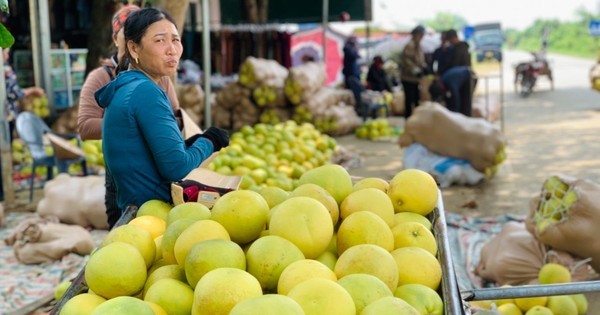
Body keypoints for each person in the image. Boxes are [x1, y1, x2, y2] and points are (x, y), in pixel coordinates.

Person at [94, 8, 229, 221]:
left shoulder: (126, 88)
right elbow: (177, 167)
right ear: (133, 48)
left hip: (136, 212)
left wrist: (189, 144)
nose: (172, 49)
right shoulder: (145, 92)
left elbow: (144, 154)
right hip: (151, 216)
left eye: (175, 40)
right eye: (159, 41)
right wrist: (209, 141)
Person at [77, 4, 184, 228]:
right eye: (127, 34)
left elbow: (175, 115)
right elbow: (85, 126)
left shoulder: (159, 74)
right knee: (126, 234)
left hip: (156, 166)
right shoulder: (101, 76)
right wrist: (129, 120)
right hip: (123, 171)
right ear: (118, 40)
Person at [3, 47, 45, 143]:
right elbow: (13, 93)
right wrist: (32, 90)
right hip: (6, 112)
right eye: (6, 53)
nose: (7, 56)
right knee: (7, 139)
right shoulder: (5, 69)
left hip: (7, 112)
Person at [440, 29, 475, 116]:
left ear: (453, 38)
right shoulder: (456, 48)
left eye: (449, 40)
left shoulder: (461, 48)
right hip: (461, 78)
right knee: (461, 103)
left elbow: (456, 64)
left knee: (464, 103)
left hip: (464, 78)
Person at [400, 25, 427, 119]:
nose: (422, 37)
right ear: (416, 35)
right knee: (409, 99)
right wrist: (415, 70)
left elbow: (420, 60)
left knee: (416, 99)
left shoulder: (419, 46)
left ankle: (416, 118)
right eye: (421, 35)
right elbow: (407, 61)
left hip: (415, 79)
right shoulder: (410, 45)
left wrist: (424, 67)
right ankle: (408, 118)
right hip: (408, 77)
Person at [342, 36, 366, 117]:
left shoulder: (349, 49)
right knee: (355, 93)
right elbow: (354, 55)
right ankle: (357, 109)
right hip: (351, 75)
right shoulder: (348, 49)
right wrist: (356, 49)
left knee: (357, 93)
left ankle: (357, 108)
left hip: (354, 74)